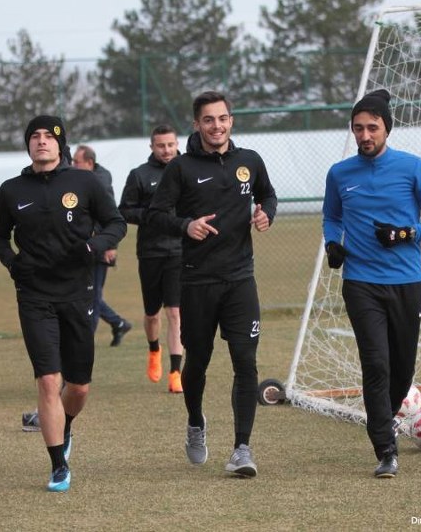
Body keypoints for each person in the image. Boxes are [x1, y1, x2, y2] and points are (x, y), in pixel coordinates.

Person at [0, 116, 126, 492]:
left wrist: (93, 247)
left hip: (78, 293)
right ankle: (57, 465)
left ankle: (65, 427)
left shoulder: (85, 182)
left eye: (49, 136)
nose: (41, 142)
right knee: (48, 380)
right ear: (27, 145)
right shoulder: (11, 189)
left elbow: (116, 223)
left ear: (61, 144)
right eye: (34, 136)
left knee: (78, 387)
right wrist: (14, 263)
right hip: (34, 295)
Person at [322, 89, 421, 478]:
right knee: (375, 364)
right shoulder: (339, 173)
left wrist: (406, 234)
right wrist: (333, 244)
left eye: (372, 127)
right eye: (358, 128)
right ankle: (385, 448)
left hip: (406, 282)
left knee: (402, 370)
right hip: (361, 283)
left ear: (386, 129)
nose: (365, 135)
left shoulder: (412, 167)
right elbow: (332, 217)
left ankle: (387, 418)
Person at [148, 91, 277, 478]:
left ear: (231, 121)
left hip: (241, 279)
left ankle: (242, 448)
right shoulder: (182, 168)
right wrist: (187, 224)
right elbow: (157, 214)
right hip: (197, 280)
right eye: (208, 120)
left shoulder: (249, 161)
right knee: (198, 362)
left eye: (222, 118)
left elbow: (268, 195)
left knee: (245, 361)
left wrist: (265, 212)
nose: (216, 126)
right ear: (197, 124)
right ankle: (195, 422)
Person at [119, 125, 184, 392]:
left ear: (176, 143)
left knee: (175, 312)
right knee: (152, 314)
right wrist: (151, 216)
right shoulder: (140, 175)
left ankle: (175, 373)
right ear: (152, 147)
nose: (166, 150)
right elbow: (124, 210)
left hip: (180, 250)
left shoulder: (187, 169)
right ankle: (154, 349)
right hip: (150, 252)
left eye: (170, 145)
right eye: (161, 146)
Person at [72, 145, 133, 346]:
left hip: (100, 246)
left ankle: (86, 340)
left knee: (94, 294)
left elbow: (110, 216)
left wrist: (110, 245)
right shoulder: (82, 178)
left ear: (88, 163)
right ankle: (119, 323)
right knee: (89, 293)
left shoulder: (99, 181)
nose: (73, 165)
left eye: (76, 161)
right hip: (87, 246)